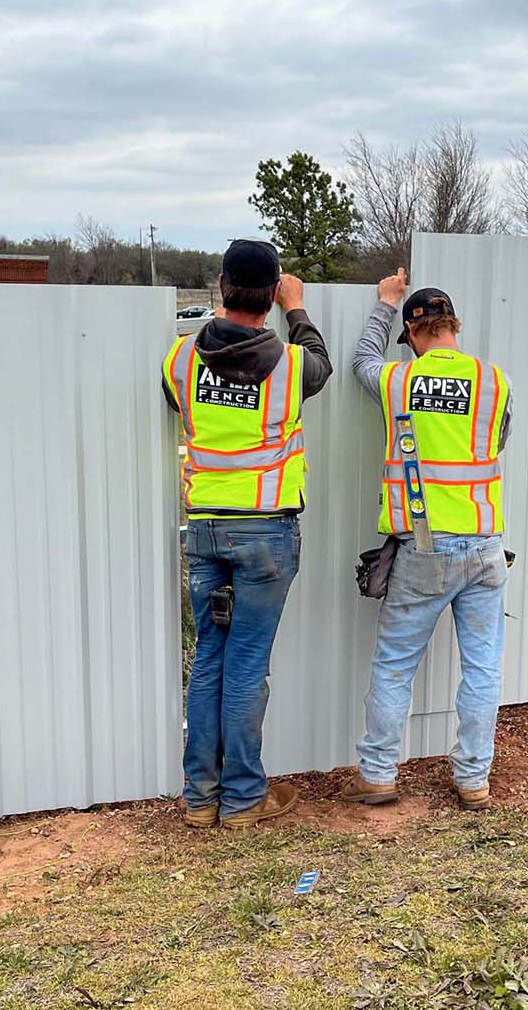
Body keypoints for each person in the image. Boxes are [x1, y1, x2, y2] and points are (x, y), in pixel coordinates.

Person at [161, 239, 332, 829]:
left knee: (210, 656)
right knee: (247, 662)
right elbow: (321, 361)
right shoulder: (291, 365)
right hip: (266, 533)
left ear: (221, 283)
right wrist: (298, 308)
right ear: (272, 292)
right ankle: (241, 800)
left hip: (206, 530)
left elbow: (177, 396)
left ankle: (200, 797)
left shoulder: (180, 360)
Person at [340, 268, 512, 810]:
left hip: (424, 549)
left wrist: (384, 304)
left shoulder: (399, 381)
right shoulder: (494, 381)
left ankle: (379, 775)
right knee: (483, 668)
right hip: (485, 547)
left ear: (414, 335)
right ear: (453, 327)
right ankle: (474, 780)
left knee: (394, 665)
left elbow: (360, 364)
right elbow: (497, 439)